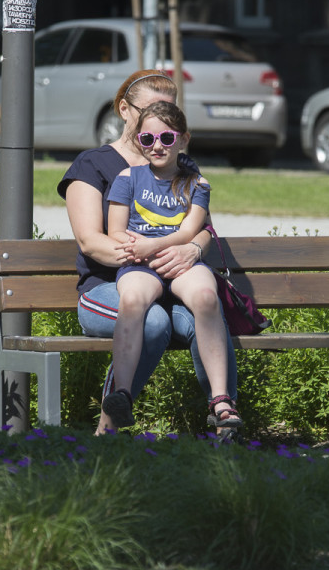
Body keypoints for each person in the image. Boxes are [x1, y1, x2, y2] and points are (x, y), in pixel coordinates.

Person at [56, 69, 238, 435]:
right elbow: (93, 241)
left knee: (205, 309)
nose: (161, 121)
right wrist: (151, 253)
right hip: (108, 287)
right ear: (125, 110)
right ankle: (108, 428)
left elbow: (202, 230)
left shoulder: (182, 167)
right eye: (151, 109)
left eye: (170, 113)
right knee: (153, 321)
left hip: (174, 280)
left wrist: (190, 249)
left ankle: (224, 421)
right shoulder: (93, 166)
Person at [102, 100, 240, 431]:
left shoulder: (197, 184)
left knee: (206, 297)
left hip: (180, 262)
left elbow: (190, 231)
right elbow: (116, 232)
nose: (157, 146)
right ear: (138, 141)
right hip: (141, 264)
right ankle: (122, 393)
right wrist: (146, 252)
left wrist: (155, 244)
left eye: (166, 137)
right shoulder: (128, 178)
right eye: (147, 139)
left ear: (183, 138)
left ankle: (221, 399)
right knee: (133, 299)